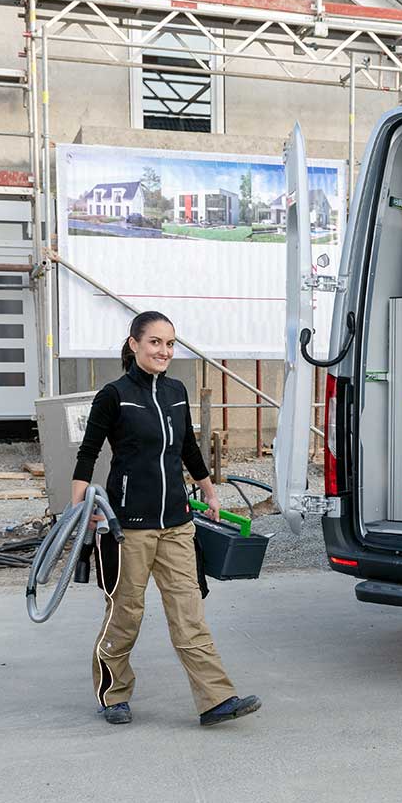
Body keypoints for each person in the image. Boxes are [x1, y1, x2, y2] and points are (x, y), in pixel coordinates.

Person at [71, 310, 260, 727]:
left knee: (189, 615)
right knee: (126, 615)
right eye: (155, 342)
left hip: (177, 524)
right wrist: (80, 509)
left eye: (170, 343)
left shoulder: (176, 391)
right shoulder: (114, 395)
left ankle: (215, 699)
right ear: (134, 343)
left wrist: (209, 491)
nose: (164, 351)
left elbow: (188, 449)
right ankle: (113, 694)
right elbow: (88, 453)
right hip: (128, 528)